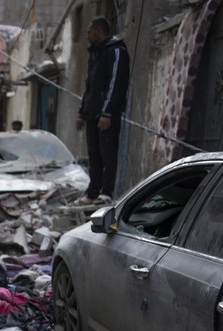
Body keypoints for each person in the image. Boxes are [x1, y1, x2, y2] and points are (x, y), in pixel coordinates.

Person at [75, 15, 130, 205]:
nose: (87, 35)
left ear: (98, 32)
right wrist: (82, 113)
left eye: (89, 32)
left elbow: (115, 84)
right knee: (94, 155)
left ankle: (106, 192)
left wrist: (107, 112)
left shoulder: (115, 51)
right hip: (92, 114)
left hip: (107, 115)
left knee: (108, 154)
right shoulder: (95, 54)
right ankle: (92, 192)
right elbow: (90, 86)